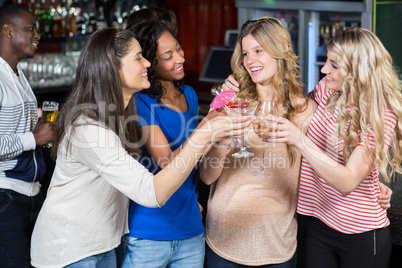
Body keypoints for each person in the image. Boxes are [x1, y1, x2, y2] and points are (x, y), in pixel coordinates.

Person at [30, 27, 252, 268]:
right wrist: (207, 130)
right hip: (70, 249)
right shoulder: (89, 129)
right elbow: (151, 192)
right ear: (112, 69)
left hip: (101, 244)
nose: (147, 62)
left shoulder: (119, 115)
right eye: (138, 58)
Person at [263, 28, 401, 267]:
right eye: (327, 61)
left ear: (359, 70)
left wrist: (300, 141)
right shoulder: (327, 89)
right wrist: (242, 83)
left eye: (334, 64)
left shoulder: (381, 115)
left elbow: (347, 182)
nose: (325, 69)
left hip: (362, 233)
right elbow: (291, 106)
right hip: (319, 221)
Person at [199, 17, 317, 267]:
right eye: (245, 53)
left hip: (277, 244)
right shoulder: (230, 102)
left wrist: (373, 187)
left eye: (258, 51)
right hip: (224, 240)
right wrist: (223, 139)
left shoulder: (305, 110)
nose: (250, 60)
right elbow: (207, 176)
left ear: (279, 52)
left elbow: (323, 166)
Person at [119, 20, 208, 268]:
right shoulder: (140, 102)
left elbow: (200, 162)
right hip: (148, 231)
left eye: (179, 49)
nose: (180, 58)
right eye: (168, 56)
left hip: (191, 228)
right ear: (150, 62)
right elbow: (167, 162)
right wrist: (208, 127)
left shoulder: (189, 93)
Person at [0, 5, 54, 268]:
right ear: (7, 31)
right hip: (5, 196)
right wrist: (33, 138)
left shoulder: (18, 74)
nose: (37, 35)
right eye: (30, 29)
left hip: (30, 194)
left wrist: (40, 124)